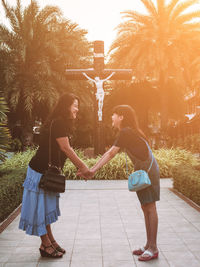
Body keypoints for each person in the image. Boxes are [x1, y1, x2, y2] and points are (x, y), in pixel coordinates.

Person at [78, 105, 160, 262]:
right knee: (145, 207)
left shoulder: (126, 131)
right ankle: (148, 244)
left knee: (150, 207)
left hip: (148, 171)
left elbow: (110, 153)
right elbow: (111, 153)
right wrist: (93, 170)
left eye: (114, 115)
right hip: (143, 170)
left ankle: (153, 248)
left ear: (121, 117)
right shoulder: (127, 132)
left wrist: (92, 170)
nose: (112, 118)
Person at [19, 93, 90, 258]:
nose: (77, 109)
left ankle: (51, 240)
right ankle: (45, 244)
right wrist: (83, 167)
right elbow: (66, 148)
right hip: (39, 171)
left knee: (44, 208)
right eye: (75, 105)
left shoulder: (60, 122)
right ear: (66, 106)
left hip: (46, 170)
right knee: (40, 208)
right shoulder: (58, 122)